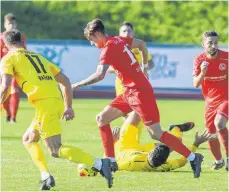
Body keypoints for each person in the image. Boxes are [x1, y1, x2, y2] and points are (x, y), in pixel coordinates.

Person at [72, 18, 204, 178]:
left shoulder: (108, 48)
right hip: (129, 92)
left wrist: (77, 85)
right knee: (102, 118)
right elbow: (141, 43)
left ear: (98, 34)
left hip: (139, 92)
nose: (92, 44)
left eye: (92, 40)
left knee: (156, 133)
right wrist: (144, 68)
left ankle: (192, 157)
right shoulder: (118, 40)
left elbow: (100, 75)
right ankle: (110, 161)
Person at [0, 29, 114, 190]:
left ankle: (100, 164)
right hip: (54, 102)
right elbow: (65, 80)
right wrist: (68, 106)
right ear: (22, 41)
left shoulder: (8, 58)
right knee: (29, 139)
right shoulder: (38, 57)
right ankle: (46, 176)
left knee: (55, 149)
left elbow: (5, 86)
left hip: (45, 105)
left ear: (5, 45)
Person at [78, 123, 211, 174]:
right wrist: (196, 144)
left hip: (124, 147)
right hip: (136, 149)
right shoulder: (163, 166)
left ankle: (135, 108)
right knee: (177, 142)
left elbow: (108, 159)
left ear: (151, 153)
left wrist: (112, 141)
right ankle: (176, 129)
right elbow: (182, 162)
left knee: (133, 118)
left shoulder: (129, 162)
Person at [108, 22, 154, 143]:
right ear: (119, 33)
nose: (126, 33)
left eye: (129, 31)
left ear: (133, 33)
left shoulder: (138, 46)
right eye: (124, 31)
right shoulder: (116, 45)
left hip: (138, 85)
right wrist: (126, 68)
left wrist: (143, 68)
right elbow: (108, 68)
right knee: (128, 115)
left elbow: (151, 62)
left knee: (138, 114)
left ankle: (132, 142)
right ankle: (129, 142)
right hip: (123, 85)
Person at [193, 30, 228, 171]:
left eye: (216, 42)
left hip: (226, 98)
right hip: (210, 103)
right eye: (210, 43)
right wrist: (203, 72)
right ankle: (219, 161)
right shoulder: (199, 60)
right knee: (211, 134)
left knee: (219, 123)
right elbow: (196, 83)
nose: (214, 46)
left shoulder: (226, 58)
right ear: (203, 44)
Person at [0, 13, 26, 123]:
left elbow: (24, 51)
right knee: (4, 90)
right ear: (5, 25)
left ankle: (13, 117)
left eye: (13, 23)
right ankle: (7, 113)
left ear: (16, 24)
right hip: (4, 68)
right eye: (9, 23)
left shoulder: (21, 37)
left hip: (16, 68)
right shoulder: (1, 37)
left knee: (15, 91)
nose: (11, 26)